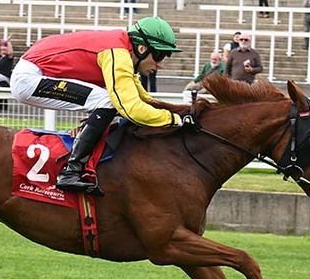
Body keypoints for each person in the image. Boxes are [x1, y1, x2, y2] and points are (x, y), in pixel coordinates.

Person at [10, 17, 189, 195]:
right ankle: (71, 172)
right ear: (141, 48)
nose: (160, 64)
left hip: (37, 70)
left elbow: (141, 97)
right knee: (108, 101)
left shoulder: (122, 50)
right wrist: (174, 120)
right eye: (159, 55)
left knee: (108, 99)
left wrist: (174, 112)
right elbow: (130, 108)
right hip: (29, 78)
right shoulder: (116, 53)